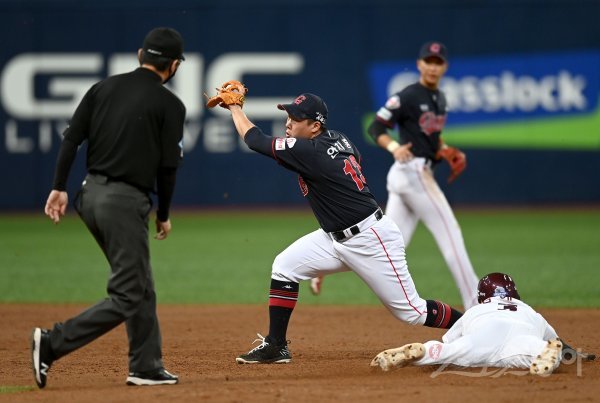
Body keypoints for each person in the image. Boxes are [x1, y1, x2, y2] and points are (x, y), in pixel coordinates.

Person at [207, 85, 464, 365]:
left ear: (315, 126)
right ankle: (276, 345)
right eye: (288, 116)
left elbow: (255, 140)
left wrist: (235, 108)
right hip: (335, 236)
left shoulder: (307, 150)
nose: (288, 123)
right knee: (285, 266)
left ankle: (473, 326)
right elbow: (354, 161)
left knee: (412, 311)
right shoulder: (338, 138)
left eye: (296, 118)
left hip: (370, 238)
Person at [32, 27, 186, 388]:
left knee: (140, 284)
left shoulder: (102, 88)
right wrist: (163, 214)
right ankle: (52, 343)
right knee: (129, 293)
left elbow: (71, 138)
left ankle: (146, 367)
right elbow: (168, 168)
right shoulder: (170, 105)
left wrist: (58, 186)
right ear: (174, 65)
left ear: (140, 55)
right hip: (123, 202)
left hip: (89, 196)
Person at [311, 41, 479, 309]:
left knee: (382, 247)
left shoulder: (440, 98)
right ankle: (477, 306)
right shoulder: (408, 96)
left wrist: (446, 150)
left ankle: (320, 266)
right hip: (413, 173)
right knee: (451, 236)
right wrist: (394, 147)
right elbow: (376, 127)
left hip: (414, 174)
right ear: (419, 64)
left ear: (445, 67)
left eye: (438, 63)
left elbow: (431, 138)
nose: (433, 67)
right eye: (429, 61)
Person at [370, 272, 564, 376]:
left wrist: (447, 349)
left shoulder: (475, 311)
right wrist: (562, 349)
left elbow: (449, 340)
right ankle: (543, 354)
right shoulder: (531, 312)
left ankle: (426, 351)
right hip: (521, 335)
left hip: (484, 335)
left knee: (450, 351)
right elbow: (556, 340)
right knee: (534, 349)